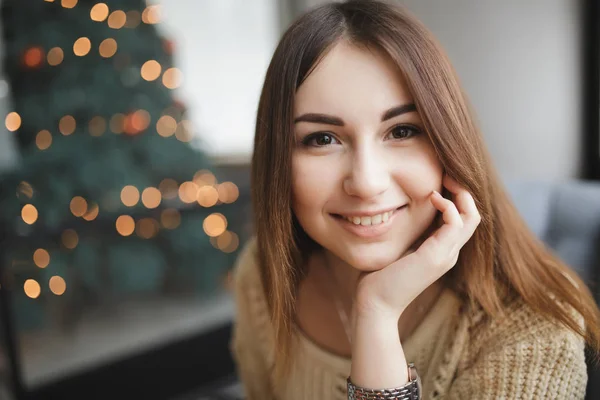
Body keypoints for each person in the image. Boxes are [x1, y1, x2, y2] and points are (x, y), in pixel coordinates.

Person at [229, 1, 600, 399]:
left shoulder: (535, 321)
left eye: (402, 131)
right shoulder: (264, 273)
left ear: (449, 144)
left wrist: (376, 313)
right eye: (322, 139)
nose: (367, 183)